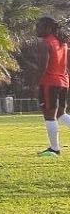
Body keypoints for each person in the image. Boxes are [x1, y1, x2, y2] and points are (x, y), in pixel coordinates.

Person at [36, 17, 70, 156]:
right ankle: (54, 148)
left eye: (39, 26)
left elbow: (42, 67)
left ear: (48, 28)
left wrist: (35, 83)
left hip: (49, 83)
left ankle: (54, 149)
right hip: (64, 82)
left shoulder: (46, 43)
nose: (36, 29)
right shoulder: (63, 43)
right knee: (61, 115)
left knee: (50, 116)